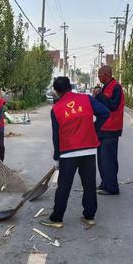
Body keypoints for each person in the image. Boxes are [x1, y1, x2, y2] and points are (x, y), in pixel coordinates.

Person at [50, 76, 110, 227]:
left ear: (57, 92)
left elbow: (56, 136)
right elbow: (105, 113)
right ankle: (89, 216)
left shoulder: (56, 109)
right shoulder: (86, 99)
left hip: (68, 152)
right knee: (89, 185)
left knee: (64, 186)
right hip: (89, 149)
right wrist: (94, 129)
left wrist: (57, 157)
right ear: (70, 87)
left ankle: (57, 219)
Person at [93, 65, 125, 195]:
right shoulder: (105, 87)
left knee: (109, 160)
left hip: (111, 129)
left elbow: (112, 106)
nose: (99, 77)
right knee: (101, 160)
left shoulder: (116, 87)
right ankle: (104, 183)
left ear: (107, 74)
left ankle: (112, 187)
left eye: (100, 75)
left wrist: (100, 95)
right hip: (102, 128)